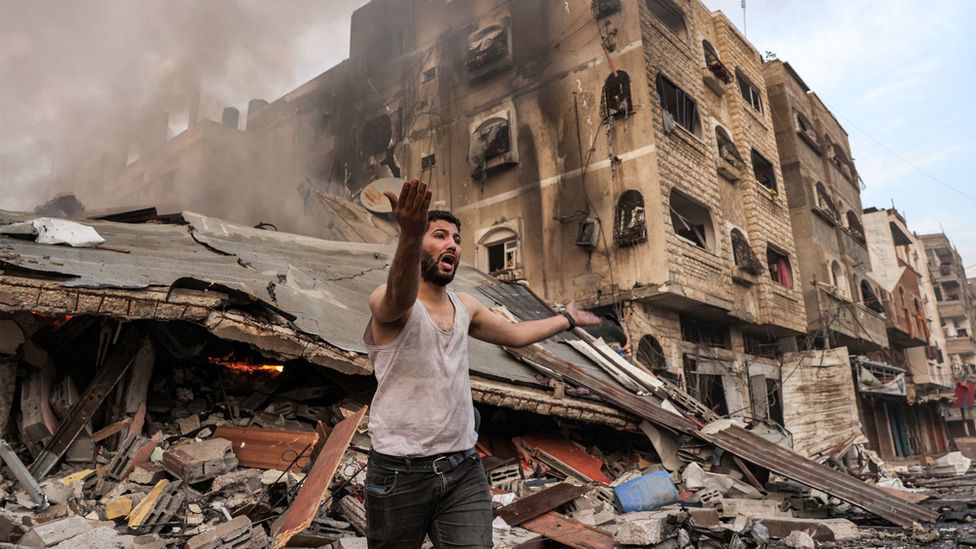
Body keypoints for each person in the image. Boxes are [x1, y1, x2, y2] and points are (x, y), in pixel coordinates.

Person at [362, 179, 601, 548]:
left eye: (456, 240)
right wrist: (408, 234)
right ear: (417, 240)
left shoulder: (465, 305)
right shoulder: (387, 299)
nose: (452, 245)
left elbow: (516, 334)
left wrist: (566, 319)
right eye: (439, 235)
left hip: (462, 468)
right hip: (400, 472)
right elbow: (398, 297)